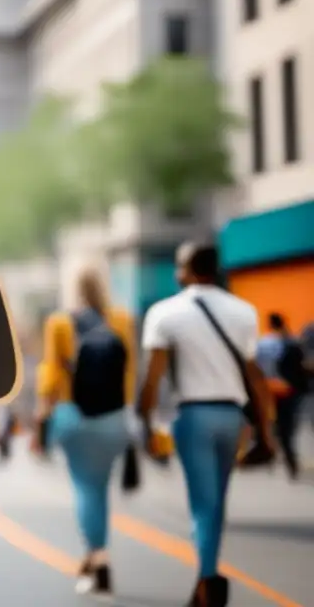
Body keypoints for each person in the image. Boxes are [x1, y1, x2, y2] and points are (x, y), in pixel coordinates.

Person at [138, 242, 274, 607]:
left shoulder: (164, 313)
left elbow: (152, 378)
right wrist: (265, 431)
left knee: (203, 502)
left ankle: (209, 581)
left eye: (178, 265)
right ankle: (206, 582)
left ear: (186, 269)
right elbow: (252, 375)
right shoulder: (244, 311)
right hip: (232, 418)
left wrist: (145, 423)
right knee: (216, 502)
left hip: (193, 417)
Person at [33, 269, 136, 597]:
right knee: (100, 488)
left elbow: (50, 375)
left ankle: (98, 557)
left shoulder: (60, 323)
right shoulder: (122, 321)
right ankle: (95, 554)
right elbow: (130, 371)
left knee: (85, 488)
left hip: (73, 414)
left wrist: (42, 417)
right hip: (115, 417)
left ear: (75, 290)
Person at [256, 313, 307, 479]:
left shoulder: (264, 343)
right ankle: (288, 452)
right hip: (290, 389)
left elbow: (259, 367)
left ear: (270, 324)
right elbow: (301, 366)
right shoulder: (292, 341)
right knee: (288, 424)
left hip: (270, 388)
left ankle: (277, 449)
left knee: (272, 421)